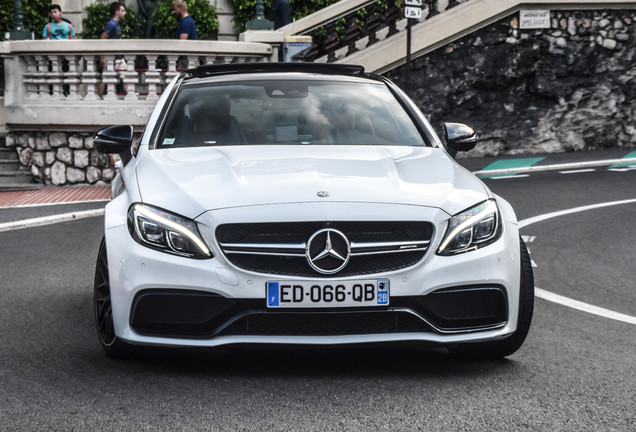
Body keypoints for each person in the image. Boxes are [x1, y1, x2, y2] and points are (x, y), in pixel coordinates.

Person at [97, 2, 127, 98]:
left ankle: (130, 96)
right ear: (117, 12)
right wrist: (101, 57)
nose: (124, 13)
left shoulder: (116, 24)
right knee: (106, 79)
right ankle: (98, 97)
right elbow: (103, 39)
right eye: (122, 11)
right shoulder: (111, 24)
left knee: (125, 77)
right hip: (112, 57)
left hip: (118, 57)